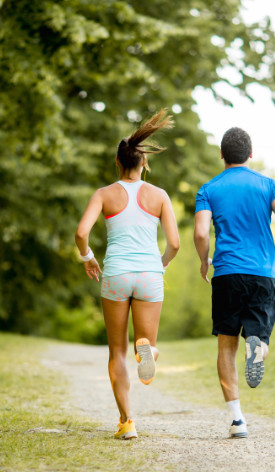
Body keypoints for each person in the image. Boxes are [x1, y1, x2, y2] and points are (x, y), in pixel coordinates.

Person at [74, 109, 180, 440]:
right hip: (149, 274)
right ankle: (147, 350)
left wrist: (88, 257)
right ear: (144, 163)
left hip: (117, 273)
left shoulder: (104, 194)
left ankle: (127, 422)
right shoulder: (159, 196)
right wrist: (159, 265)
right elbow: (175, 243)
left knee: (116, 352)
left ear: (118, 164)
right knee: (144, 344)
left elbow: (81, 232)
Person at [193, 127, 275, 439]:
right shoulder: (268, 184)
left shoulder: (208, 189)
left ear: (222, 155)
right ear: (250, 154)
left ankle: (237, 420)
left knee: (226, 346)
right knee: (259, 338)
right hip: (263, 272)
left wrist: (204, 259)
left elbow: (200, 233)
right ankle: (258, 348)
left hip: (226, 274)